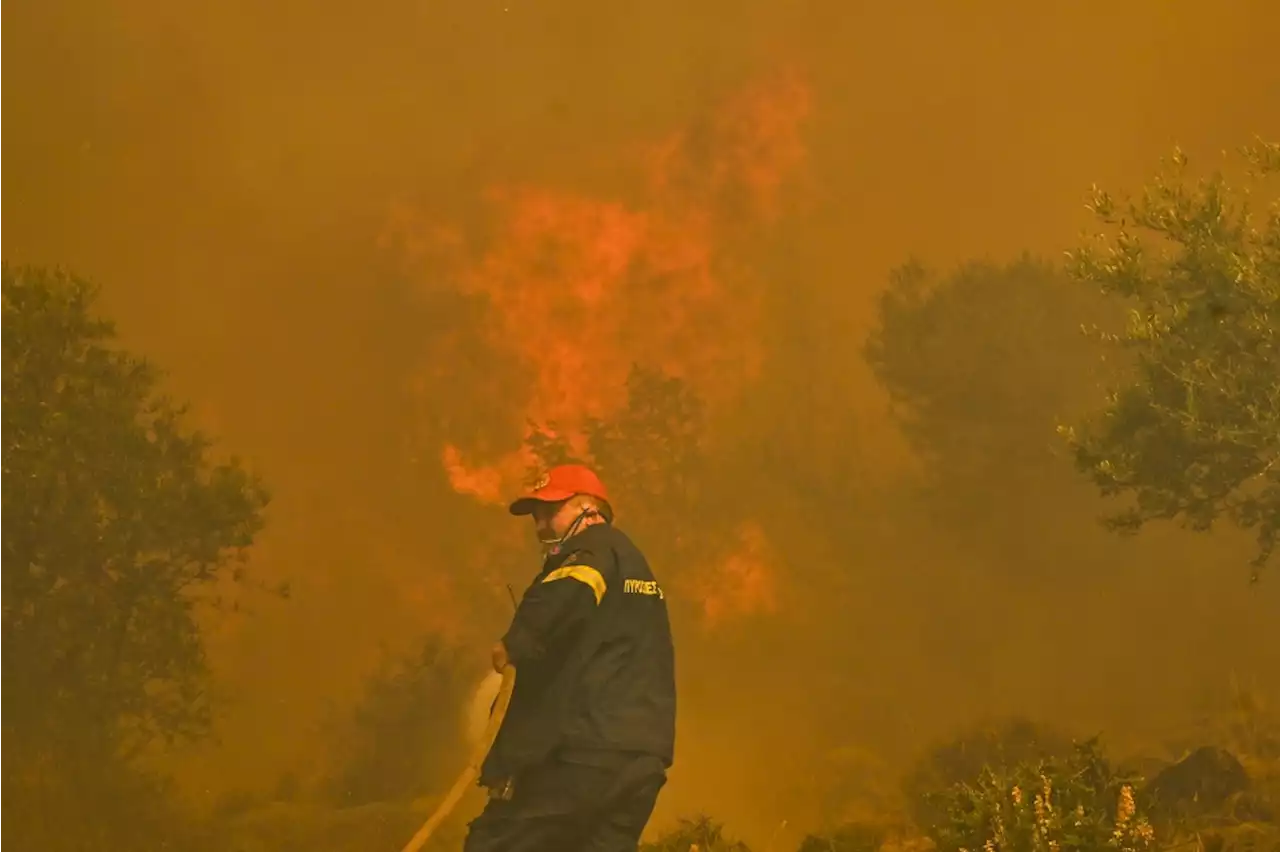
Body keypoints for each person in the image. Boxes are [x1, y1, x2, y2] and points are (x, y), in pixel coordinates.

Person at [462, 463, 677, 852]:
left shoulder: (591, 552)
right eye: (535, 514)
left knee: (498, 844)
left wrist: (516, 641)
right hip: (640, 760)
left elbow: (565, 597)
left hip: (579, 757)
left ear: (588, 508)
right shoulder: (631, 563)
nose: (540, 524)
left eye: (550, 509)